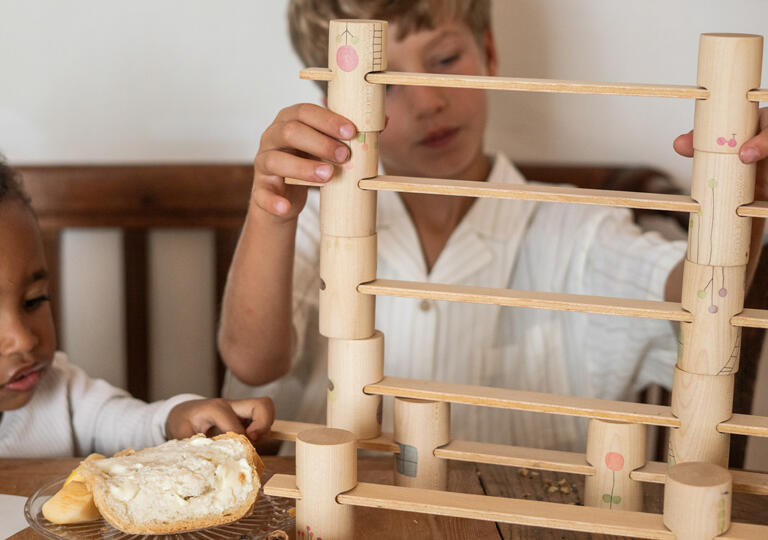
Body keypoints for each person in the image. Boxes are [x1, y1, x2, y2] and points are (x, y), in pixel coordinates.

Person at [218, 0, 768, 450]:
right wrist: (272, 211)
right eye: (384, 85)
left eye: (445, 59)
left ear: (488, 52)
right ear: (337, 103)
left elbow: (697, 306)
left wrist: (747, 197)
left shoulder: (576, 228)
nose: (429, 102)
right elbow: (253, 361)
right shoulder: (313, 226)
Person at [0, 159, 275, 457]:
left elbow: (129, 424)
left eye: (34, 300)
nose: (24, 339)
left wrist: (177, 419)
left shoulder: (61, 394)